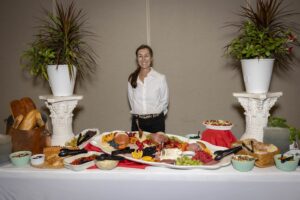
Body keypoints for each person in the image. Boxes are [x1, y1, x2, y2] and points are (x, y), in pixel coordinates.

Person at [128, 44, 169, 133]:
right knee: (136, 147)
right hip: (137, 123)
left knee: (157, 147)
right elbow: (132, 101)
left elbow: (164, 102)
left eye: (146, 56)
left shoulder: (160, 78)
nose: (143, 59)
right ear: (137, 59)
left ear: (151, 58)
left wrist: (155, 116)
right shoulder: (132, 78)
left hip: (156, 123)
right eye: (140, 56)